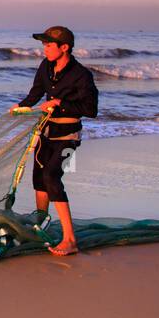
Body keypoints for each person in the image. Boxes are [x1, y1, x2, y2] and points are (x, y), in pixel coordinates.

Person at [10, 26, 99, 256]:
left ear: (64, 47)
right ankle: (41, 227)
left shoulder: (81, 75)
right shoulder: (46, 67)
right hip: (45, 131)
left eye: (49, 45)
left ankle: (70, 239)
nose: (45, 49)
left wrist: (60, 103)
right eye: (44, 45)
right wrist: (21, 106)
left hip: (68, 137)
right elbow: (35, 93)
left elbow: (91, 109)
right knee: (39, 180)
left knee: (52, 176)